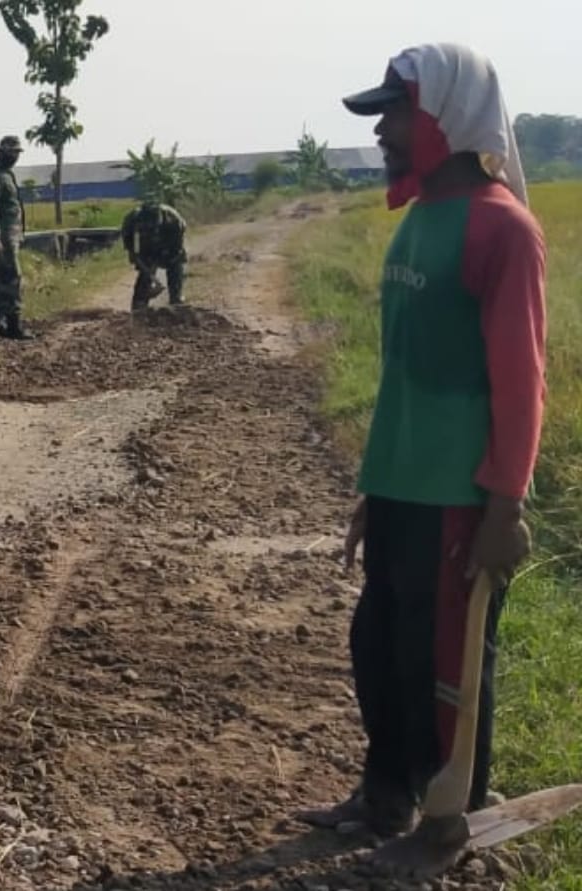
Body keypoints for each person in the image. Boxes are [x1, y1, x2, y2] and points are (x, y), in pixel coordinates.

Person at [296, 44, 547, 873]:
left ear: (444, 116)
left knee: (446, 662)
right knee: (379, 643)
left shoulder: (501, 227)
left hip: (459, 494)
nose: (383, 135)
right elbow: (401, 373)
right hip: (404, 483)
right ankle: (384, 793)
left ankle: (450, 823)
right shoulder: (418, 218)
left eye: (394, 115)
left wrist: (505, 508)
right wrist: (374, 489)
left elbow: (520, 383)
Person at [0, 135, 33, 340]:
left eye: (17, 153)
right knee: (11, 277)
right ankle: (12, 325)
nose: (15, 157)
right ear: (1, 152)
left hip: (11, 233)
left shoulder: (7, 175)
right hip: (2, 235)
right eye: (11, 152)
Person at [121, 197, 188, 309]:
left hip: (169, 244)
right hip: (146, 247)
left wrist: (170, 255)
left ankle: (176, 299)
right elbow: (129, 245)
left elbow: (178, 246)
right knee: (145, 273)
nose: (152, 228)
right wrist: (142, 264)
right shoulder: (132, 219)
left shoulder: (173, 218)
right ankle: (139, 304)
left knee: (176, 266)